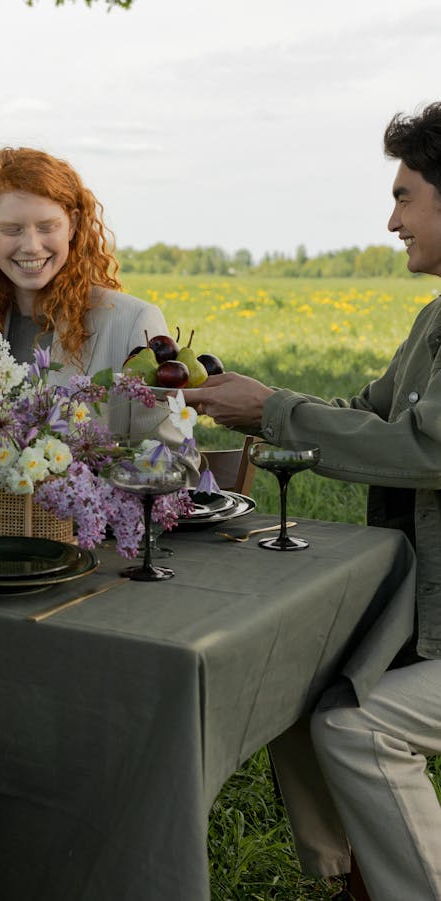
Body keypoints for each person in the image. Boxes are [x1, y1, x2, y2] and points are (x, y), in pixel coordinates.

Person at [185, 102, 441, 901]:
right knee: (302, 662)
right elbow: (367, 415)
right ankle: (355, 873)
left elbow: (423, 448)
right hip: (426, 606)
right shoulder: (436, 320)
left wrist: (270, 411)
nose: (391, 218)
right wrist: (258, 400)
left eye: (405, 196)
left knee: (356, 725)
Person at [0, 145, 198, 464]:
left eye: (47, 226)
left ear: (74, 225)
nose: (31, 246)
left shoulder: (133, 322)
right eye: (12, 229)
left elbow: (179, 465)